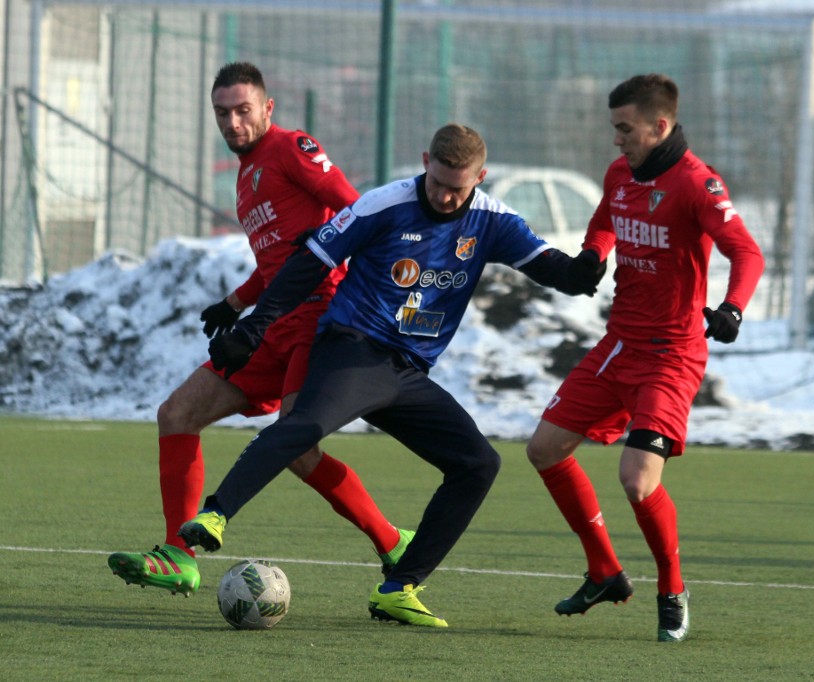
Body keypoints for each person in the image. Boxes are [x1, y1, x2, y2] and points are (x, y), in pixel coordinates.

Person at [175, 123, 607, 627]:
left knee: (478, 464)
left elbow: (549, 266)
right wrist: (255, 327)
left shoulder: (493, 220)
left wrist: (583, 270)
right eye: (438, 181)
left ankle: (399, 588)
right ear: (426, 161)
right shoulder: (384, 204)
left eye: (458, 187)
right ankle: (216, 513)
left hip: (407, 373)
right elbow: (310, 263)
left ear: (480, 178)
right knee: (304, 427)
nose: (446, 196)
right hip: (353, 348)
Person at [108, 62, 413, 596]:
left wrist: (375, 276)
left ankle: (393, 542)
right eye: (222, 113)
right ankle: (178, 557)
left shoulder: (292, 148)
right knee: (177, 413)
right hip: (273, 321)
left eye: (242, 110)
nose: (233, 122)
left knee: (295, 446)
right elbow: (276, 259)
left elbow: (355, 209)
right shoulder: (246, 178)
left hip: (319, 317)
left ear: (267, 108)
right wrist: (234, 303)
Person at [526, 74, 765, 642]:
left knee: (636, 479)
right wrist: (593, 255)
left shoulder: (695, 184)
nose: (617, 140)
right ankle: (605, 571)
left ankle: (672, 589)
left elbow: (746, 252)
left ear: (660, 127)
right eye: (615, 128)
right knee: (544, 449)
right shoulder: (620, 174)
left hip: (671, 355)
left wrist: (731, 307)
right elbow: (606, 219)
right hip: (619, 345)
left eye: (625, 129)